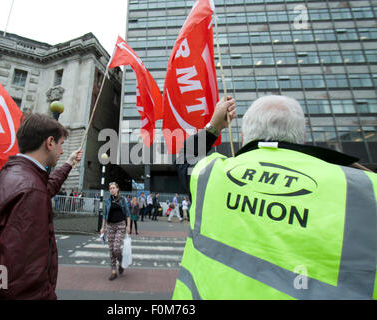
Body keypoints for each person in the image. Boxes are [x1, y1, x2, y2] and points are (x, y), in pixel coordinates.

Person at [173, 95, 377, 300]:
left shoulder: (213, 175)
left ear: (243, 136)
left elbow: (186, 157)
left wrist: (214, 126)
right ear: (302, 136)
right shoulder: (366, 188)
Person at [0, 113, 83, 300]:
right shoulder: (31, 188)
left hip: (0, 284)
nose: (62, 152)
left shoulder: (15, 173)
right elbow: (24, 266)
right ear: (50, 142)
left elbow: (46, 187)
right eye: (61, 144)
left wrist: (69, 164)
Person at [100, 182, 131, 281]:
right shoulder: (107, 201)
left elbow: (128, 214)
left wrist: (128, 226)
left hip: (121, 225)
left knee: (116, 248)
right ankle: (113, 271)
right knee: (111, 249)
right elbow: (104, 215)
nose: (112, 189)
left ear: (117, 189)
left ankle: (121, 262)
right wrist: (102, 227)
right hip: (110, 226)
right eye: (110, 188)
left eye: (114, 188)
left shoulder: (122, 200)